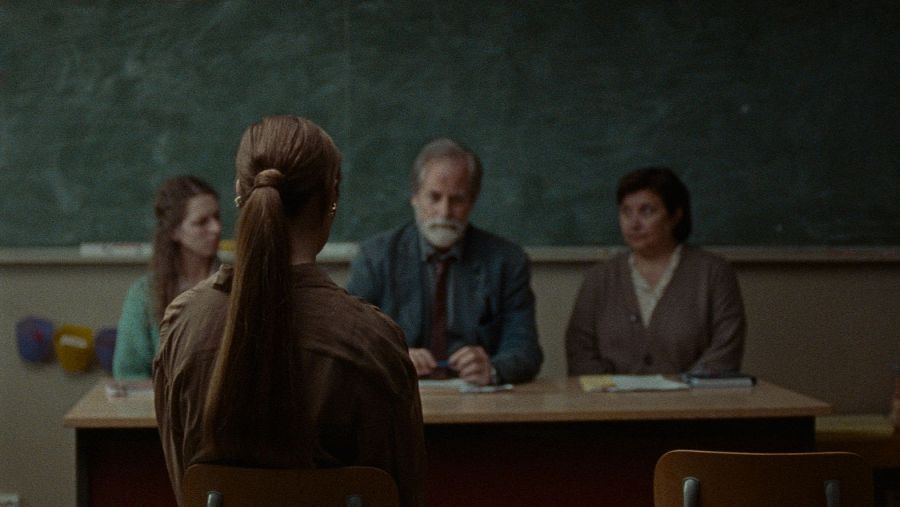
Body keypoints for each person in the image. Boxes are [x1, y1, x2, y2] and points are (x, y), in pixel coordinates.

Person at [153, 115, 426, 507]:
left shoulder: (183, 325)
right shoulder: (374, 340)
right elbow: (405, 494)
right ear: (331, 198)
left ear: (238, 194)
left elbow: (185, 487)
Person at [347, 138, 543, 386]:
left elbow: (526, 350)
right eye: (434, 197)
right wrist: (394, 357)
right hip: (399, 399)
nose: (444, 212)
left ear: (472, 201)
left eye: (457, 200)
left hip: (479, 406)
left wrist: (493, 368)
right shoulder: (376, 257)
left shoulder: (506, 261)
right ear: (414, 196)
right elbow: (351, 339)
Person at [565, 167, 746, 375]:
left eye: (647, 211)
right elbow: (580, 352)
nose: (634, 223)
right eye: (626, 212)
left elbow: (725, 351)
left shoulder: (713, 273)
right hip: (612, 404)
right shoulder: (599, 277)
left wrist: (683, 393)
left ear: (675, 215)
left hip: (694, 403)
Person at [112, 176, 221, 379]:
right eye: (201, 222)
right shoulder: (145, 294)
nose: (216, 229)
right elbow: (128, 372)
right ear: (174, 231)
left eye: (217, 217)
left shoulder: (236, 285)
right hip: (163, 408)